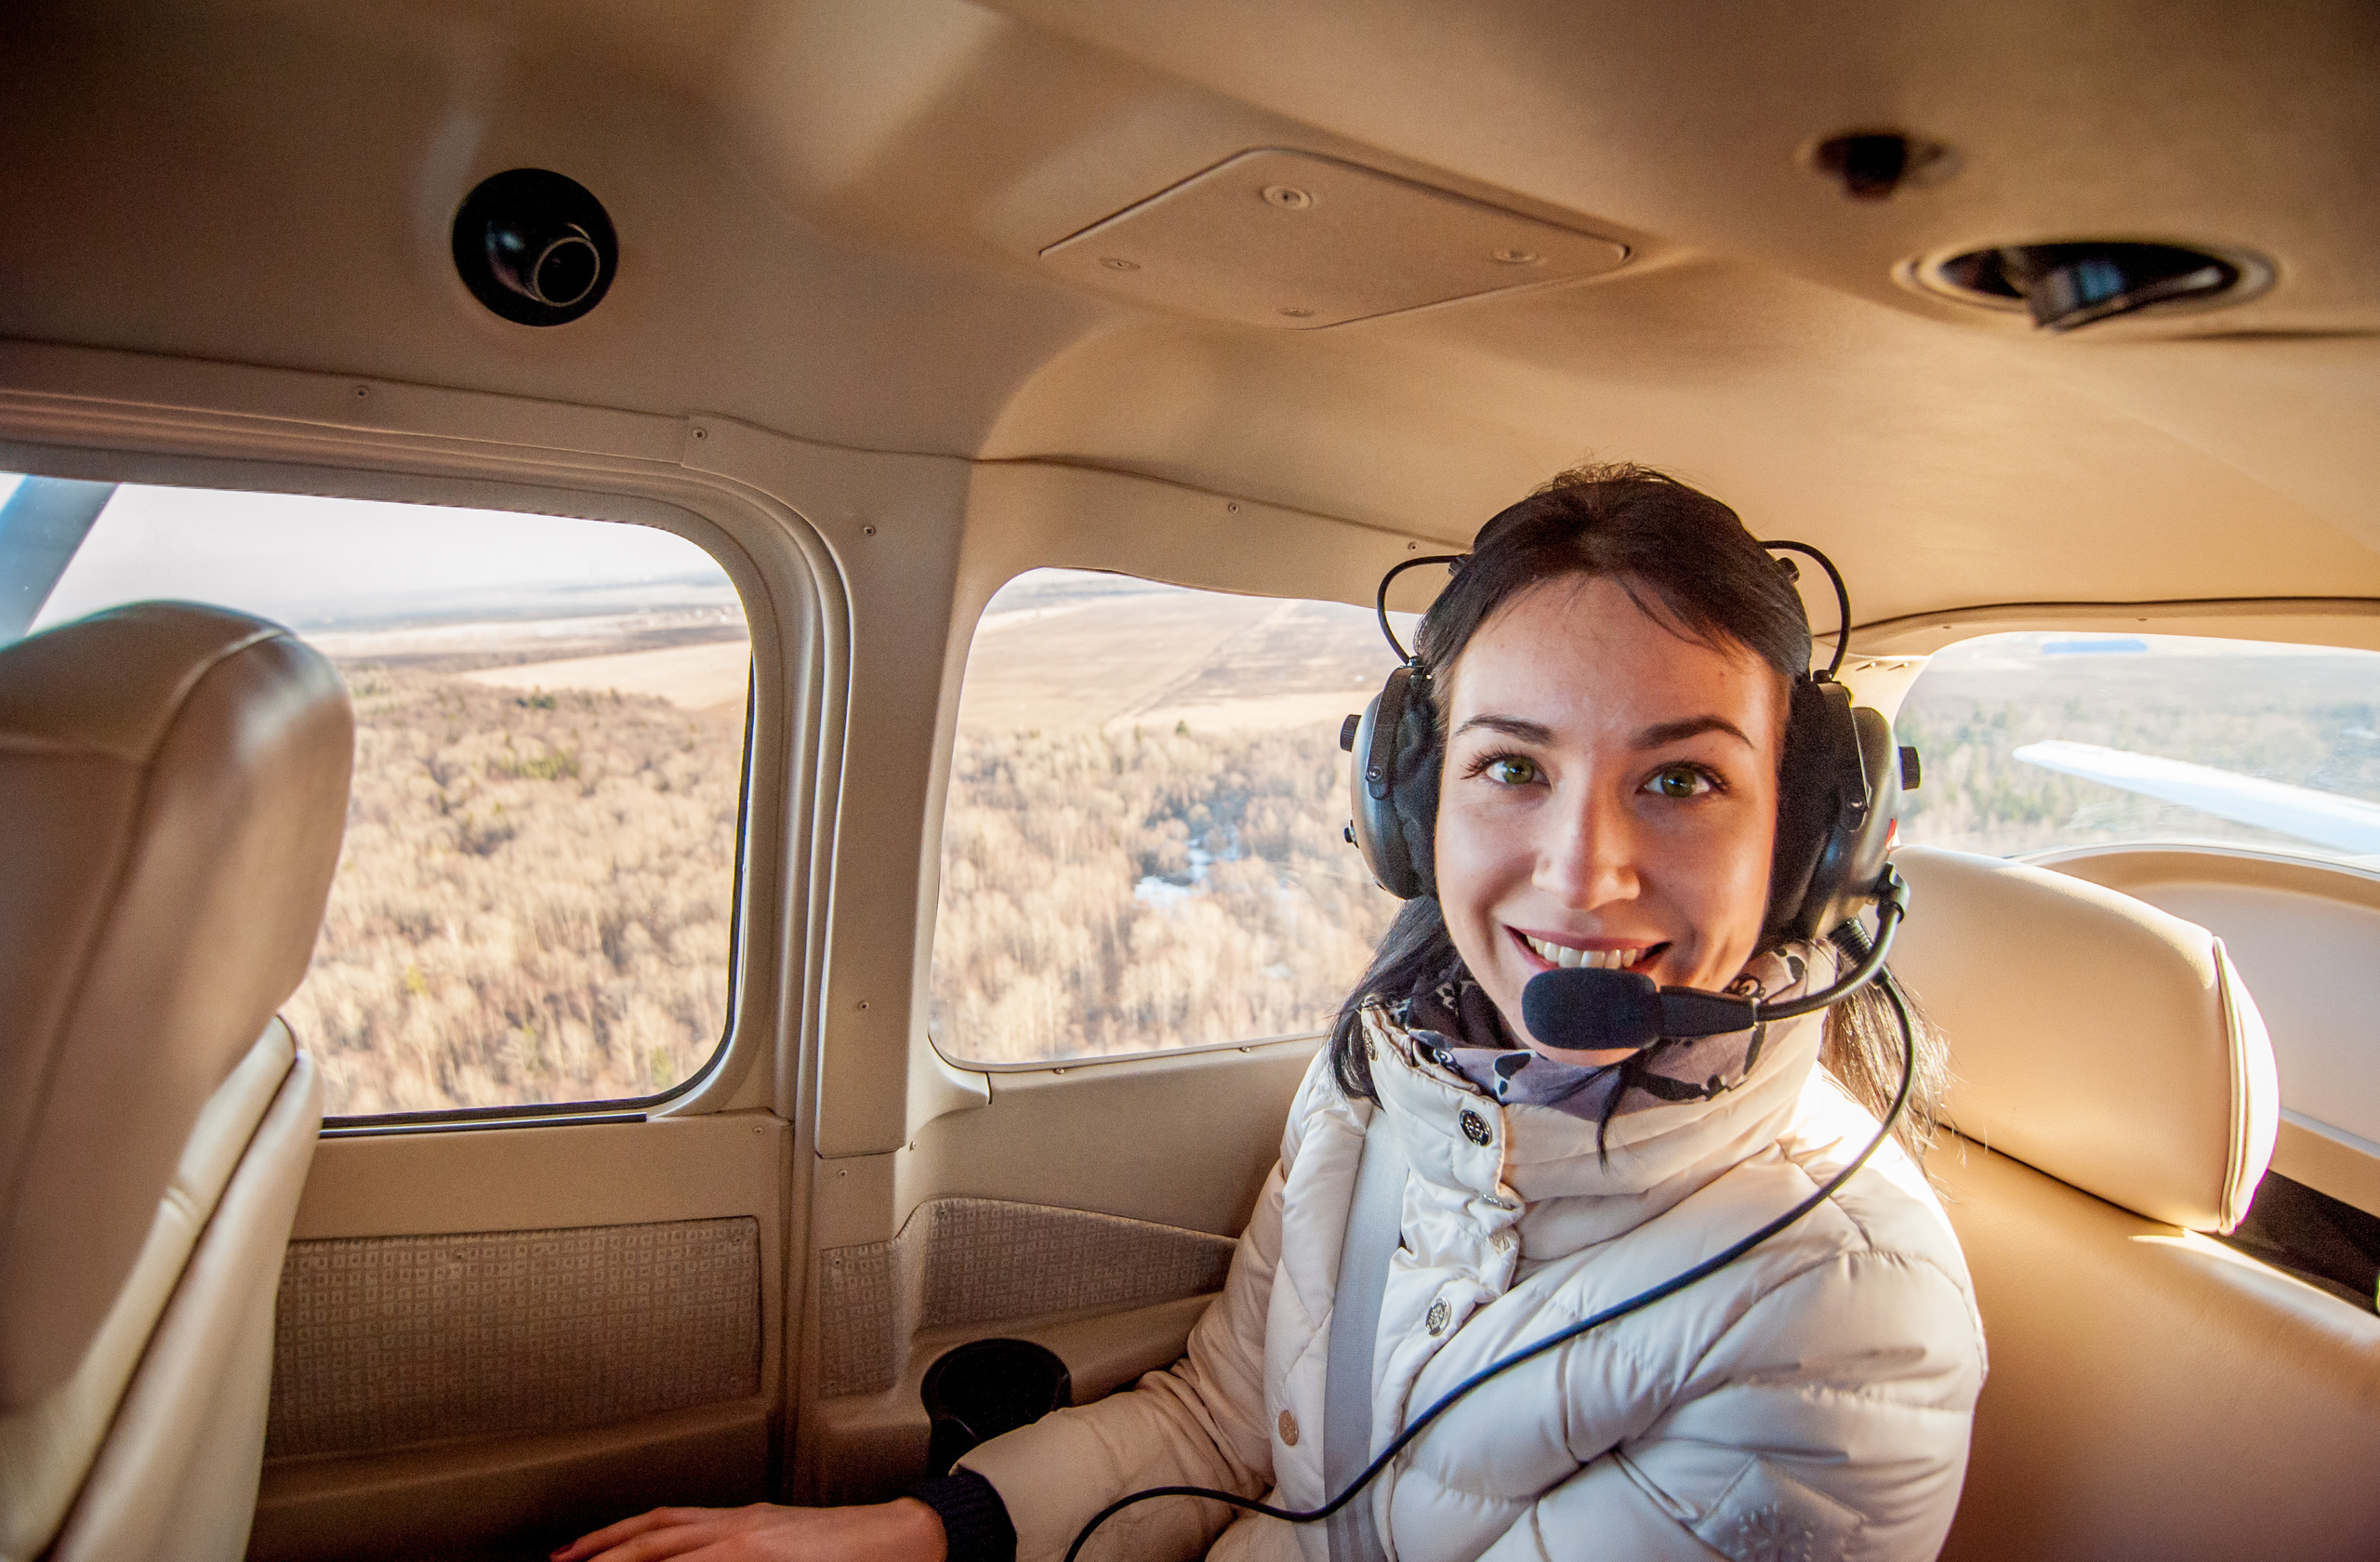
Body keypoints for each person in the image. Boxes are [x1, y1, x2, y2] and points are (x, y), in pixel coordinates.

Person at [558, 464, 1985, 1562]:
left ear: (1812, 839)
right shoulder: (1396, 1079)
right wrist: (917, 1534)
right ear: (1412, 806)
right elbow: (1225, 1420)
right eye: (1511, 767)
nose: (1581, 870)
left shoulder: (1847, 1323)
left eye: (1679, 781)